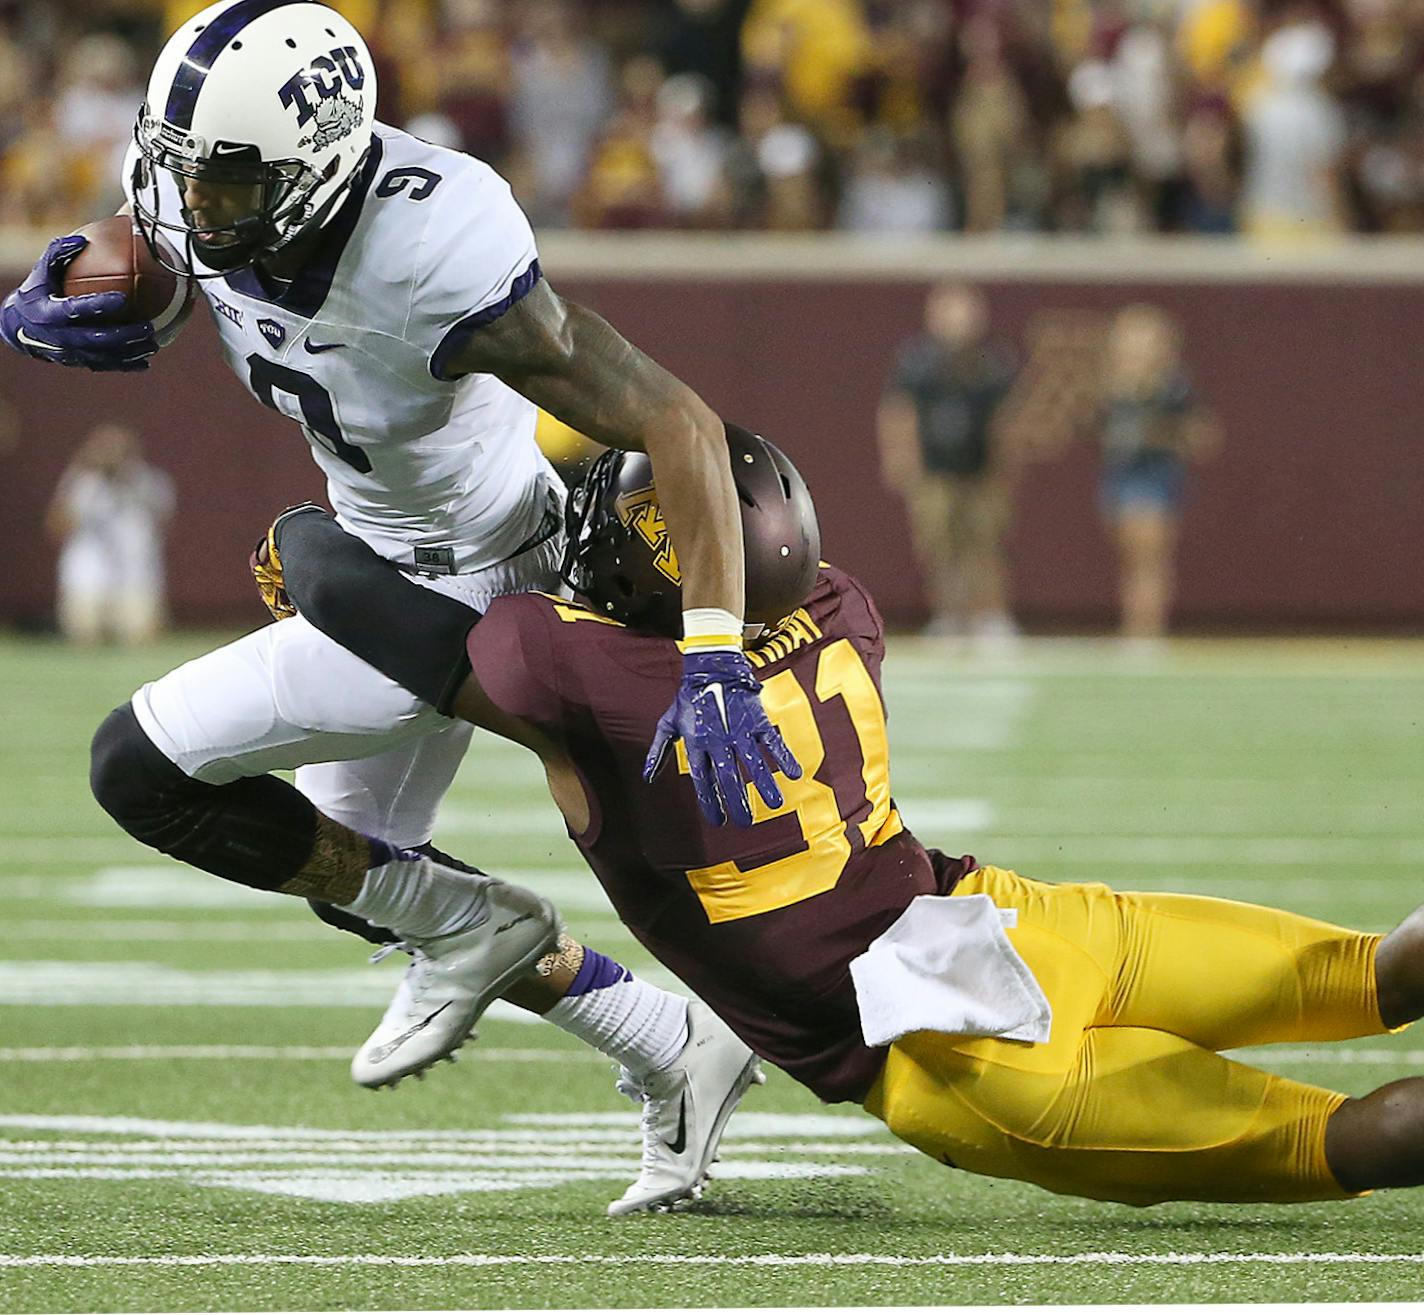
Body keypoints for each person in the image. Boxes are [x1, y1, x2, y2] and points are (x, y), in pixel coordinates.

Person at [3, 0, 790, 1198]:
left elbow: (676, 419)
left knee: (138, 768)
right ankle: (671, 1044)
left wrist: (714, 649)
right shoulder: (219, 195)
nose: (183, 205)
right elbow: (170, 245)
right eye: (174, 170)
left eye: (219, 183)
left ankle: (486, 933)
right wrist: (91, 280)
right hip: (375, 561)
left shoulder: (430, 250)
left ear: (313, 172)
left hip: (470, 587)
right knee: (356, 875)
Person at [270, 427, 1424, 1209]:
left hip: (941, 1056)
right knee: (1373, 973)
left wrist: (298, 537)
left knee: (1336, 1139)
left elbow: (366, 609)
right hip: (1009, 919)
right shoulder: (835, 600)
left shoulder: (569, 674)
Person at [877, 281, 1018, 644]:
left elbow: (1007, 418)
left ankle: (990, 615)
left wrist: (1006, 465)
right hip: (935, 469)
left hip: (980, 467)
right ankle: (949, 614)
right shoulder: (918, 361)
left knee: (984, 542)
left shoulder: (992, 362)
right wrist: (901, 457)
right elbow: (899, 410)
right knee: (939, 544)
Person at [1097, 303, 1220, 641]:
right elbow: (1100, 432)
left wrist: (1163, 434)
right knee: (1130, 557)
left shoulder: (1172, 388)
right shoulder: (1112, 389)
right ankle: (1135, 626)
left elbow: (1202, 436)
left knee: (1149, 556)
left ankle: (1146, 630)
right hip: (1121, 476)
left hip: (1154, 476)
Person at [46, 423, 175, 645]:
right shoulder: (82, 483)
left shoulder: (147, 481)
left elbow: (163, 521)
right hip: (89, 570)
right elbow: (57, 526)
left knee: (139, 633)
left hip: (134, 570)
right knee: (84, 631)